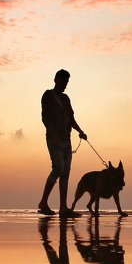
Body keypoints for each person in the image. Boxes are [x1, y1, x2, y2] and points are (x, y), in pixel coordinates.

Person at [38, 69, 87, 217]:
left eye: (66, 82)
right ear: (55, 80)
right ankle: (43, 202)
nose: (64, 85)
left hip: (67, 140)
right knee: (58, 168)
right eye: (62, 81)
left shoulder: (66, 98)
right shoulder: (48, 95)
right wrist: (54, 135)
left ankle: (63, 208)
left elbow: (71, 119)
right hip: (54, 139)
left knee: (65, 172)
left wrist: (80, 131)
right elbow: (45, 119)